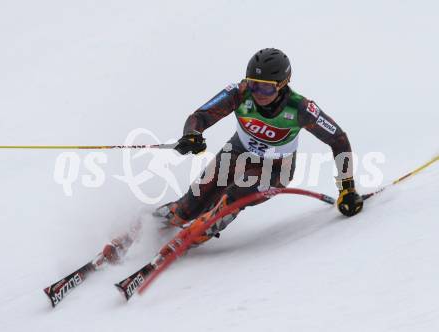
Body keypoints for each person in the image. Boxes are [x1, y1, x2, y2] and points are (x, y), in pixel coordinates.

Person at [99, 48, 363, 264]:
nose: (258, 93)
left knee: (232, 198)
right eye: (254, 84)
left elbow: (338, 139)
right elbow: (199, 117)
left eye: (267, 88)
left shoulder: (301, 108)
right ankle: (132, 233)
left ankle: (190, 238)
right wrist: (192, 134)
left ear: (283, 85)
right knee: (187, 208)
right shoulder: (240, 93)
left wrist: (347, 188)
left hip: (275, 169)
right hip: (236, 154)